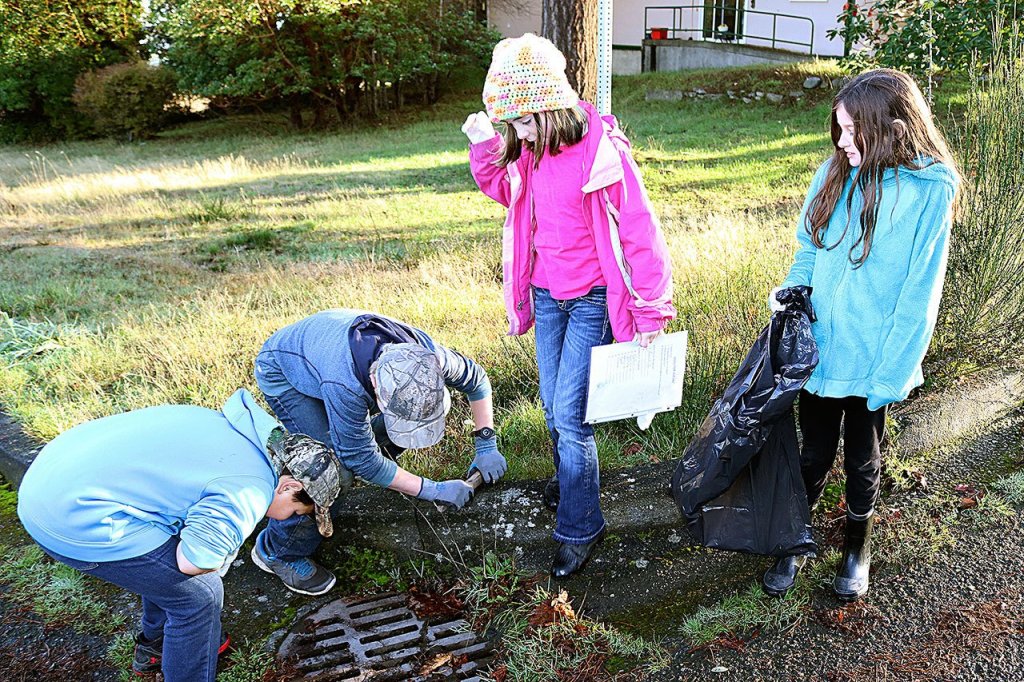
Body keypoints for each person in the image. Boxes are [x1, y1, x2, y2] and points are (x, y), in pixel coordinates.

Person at [463, 34, 675, 578]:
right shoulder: (528, 148)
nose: (521, 135)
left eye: (526, 122)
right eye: (513, 126)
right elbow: (502, 190)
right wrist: (487, 143)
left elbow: (639, 229)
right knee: (554, 408)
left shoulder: (601, 149)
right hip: (546, 295)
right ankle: (571, 480)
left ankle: (581, 526)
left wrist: (651, 308)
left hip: (591, 300)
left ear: (552, 106)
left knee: (569, 416)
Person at [762, 69, 960, 602]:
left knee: (862, 457)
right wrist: (792, 292)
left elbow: (922, 289)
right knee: (813, 453)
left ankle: (857, 545)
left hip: (876, 356)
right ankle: (794, 541)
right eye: (839, 129)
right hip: (822, 349)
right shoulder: (832, 173)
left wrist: (891, 372)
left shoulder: (930, 190)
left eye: (853, 131)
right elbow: (807, 249)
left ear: (894, 129)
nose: (841, 141)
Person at [16, 389, 343, 682]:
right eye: (298, 511)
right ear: (290, 486)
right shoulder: (249, 488)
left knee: (165, 563)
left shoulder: (238, 433)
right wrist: (218, 556)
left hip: (50, 477)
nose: (290, 518)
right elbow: (194, 563)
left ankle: (156, 644)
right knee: (201, 595)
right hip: (72, 520)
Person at [252, 308, 506, 594]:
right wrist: (431, 489)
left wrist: (486, 442)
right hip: (285, 373)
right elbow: (358, 457)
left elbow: (477, 380)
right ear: (376, 388)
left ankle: (384, 465)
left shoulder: (429, 357)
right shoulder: (345, 386)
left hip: (326, 354)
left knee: (438, 404)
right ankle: (278, 551)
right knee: (328, 471)